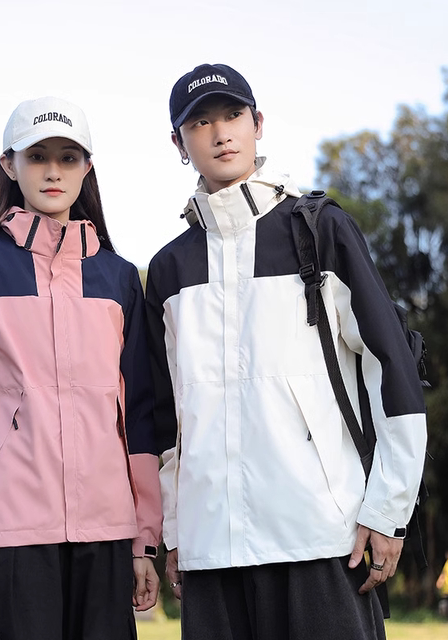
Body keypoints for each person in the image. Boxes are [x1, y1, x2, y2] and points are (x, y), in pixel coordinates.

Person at [145, 63, 428, 640]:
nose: (220, 133)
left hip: (322, 538)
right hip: (211, 549)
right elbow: (164, 419)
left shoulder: (321, 230)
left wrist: (388, 510)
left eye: (233, 115)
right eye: (200, 123)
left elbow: (392, 367)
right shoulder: (168, 269)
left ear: (258, 124)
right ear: (178, 143)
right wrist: (174, 531)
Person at [0, 96, 162, 640]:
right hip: (4, 534)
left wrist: (145, 538)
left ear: (87, 167)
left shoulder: (119, 278)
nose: (53, 171)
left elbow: (140, 418)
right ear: (9, 165)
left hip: (106, 534)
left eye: (68, 157)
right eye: (37, 156)